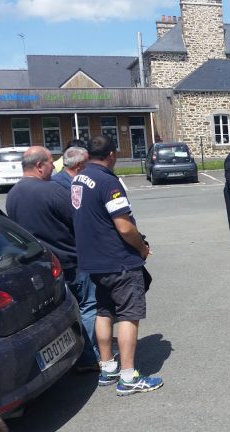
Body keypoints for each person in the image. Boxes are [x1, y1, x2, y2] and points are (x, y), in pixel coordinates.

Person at [71, 135, 163, 396]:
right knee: (128, 314)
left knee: (104, 311)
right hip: (118, 260)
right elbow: (123, 225)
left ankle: (108, 366)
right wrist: (142, 248)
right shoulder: (108, 181)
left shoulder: (78, 178)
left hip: (94, 261)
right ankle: (128, 375)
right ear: (111, 154)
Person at [5, 145, 99, 372]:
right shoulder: (52, 190)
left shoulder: (12, 194)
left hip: (43, 266)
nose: (53, 166)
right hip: (71, 261)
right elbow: (79, 221)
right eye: (50, 162)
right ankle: (90, 357)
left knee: (60, 311)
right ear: (39, 166)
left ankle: (71, 353)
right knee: (88, 306)